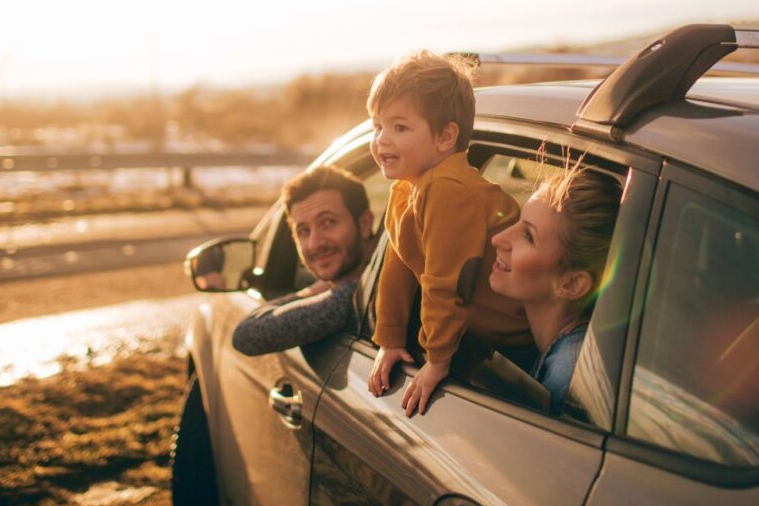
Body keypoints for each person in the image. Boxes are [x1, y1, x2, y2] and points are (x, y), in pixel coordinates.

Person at [366, 50, 531, 416]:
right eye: (377, 126)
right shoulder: (409, 189)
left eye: (399, 127)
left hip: (516, 341)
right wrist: (389, 339)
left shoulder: (447, 190)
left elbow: (445, 282)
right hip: (481, 335)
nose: (382, 140)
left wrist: (437, 361)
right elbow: (398, 268)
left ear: (445, 138)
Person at [489, 165, 621, 413]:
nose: (498, 239)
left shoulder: (567, 382)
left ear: (571, 284)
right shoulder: (569, 354)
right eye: (518, 221)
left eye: (528, 236)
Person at [232, 166, 376, 355]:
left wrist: (315, 290)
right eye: (303, 231)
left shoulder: (358, 297)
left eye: (328, 222)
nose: (315, 243)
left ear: (364, 224)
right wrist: (324, 287)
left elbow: (246, 335)